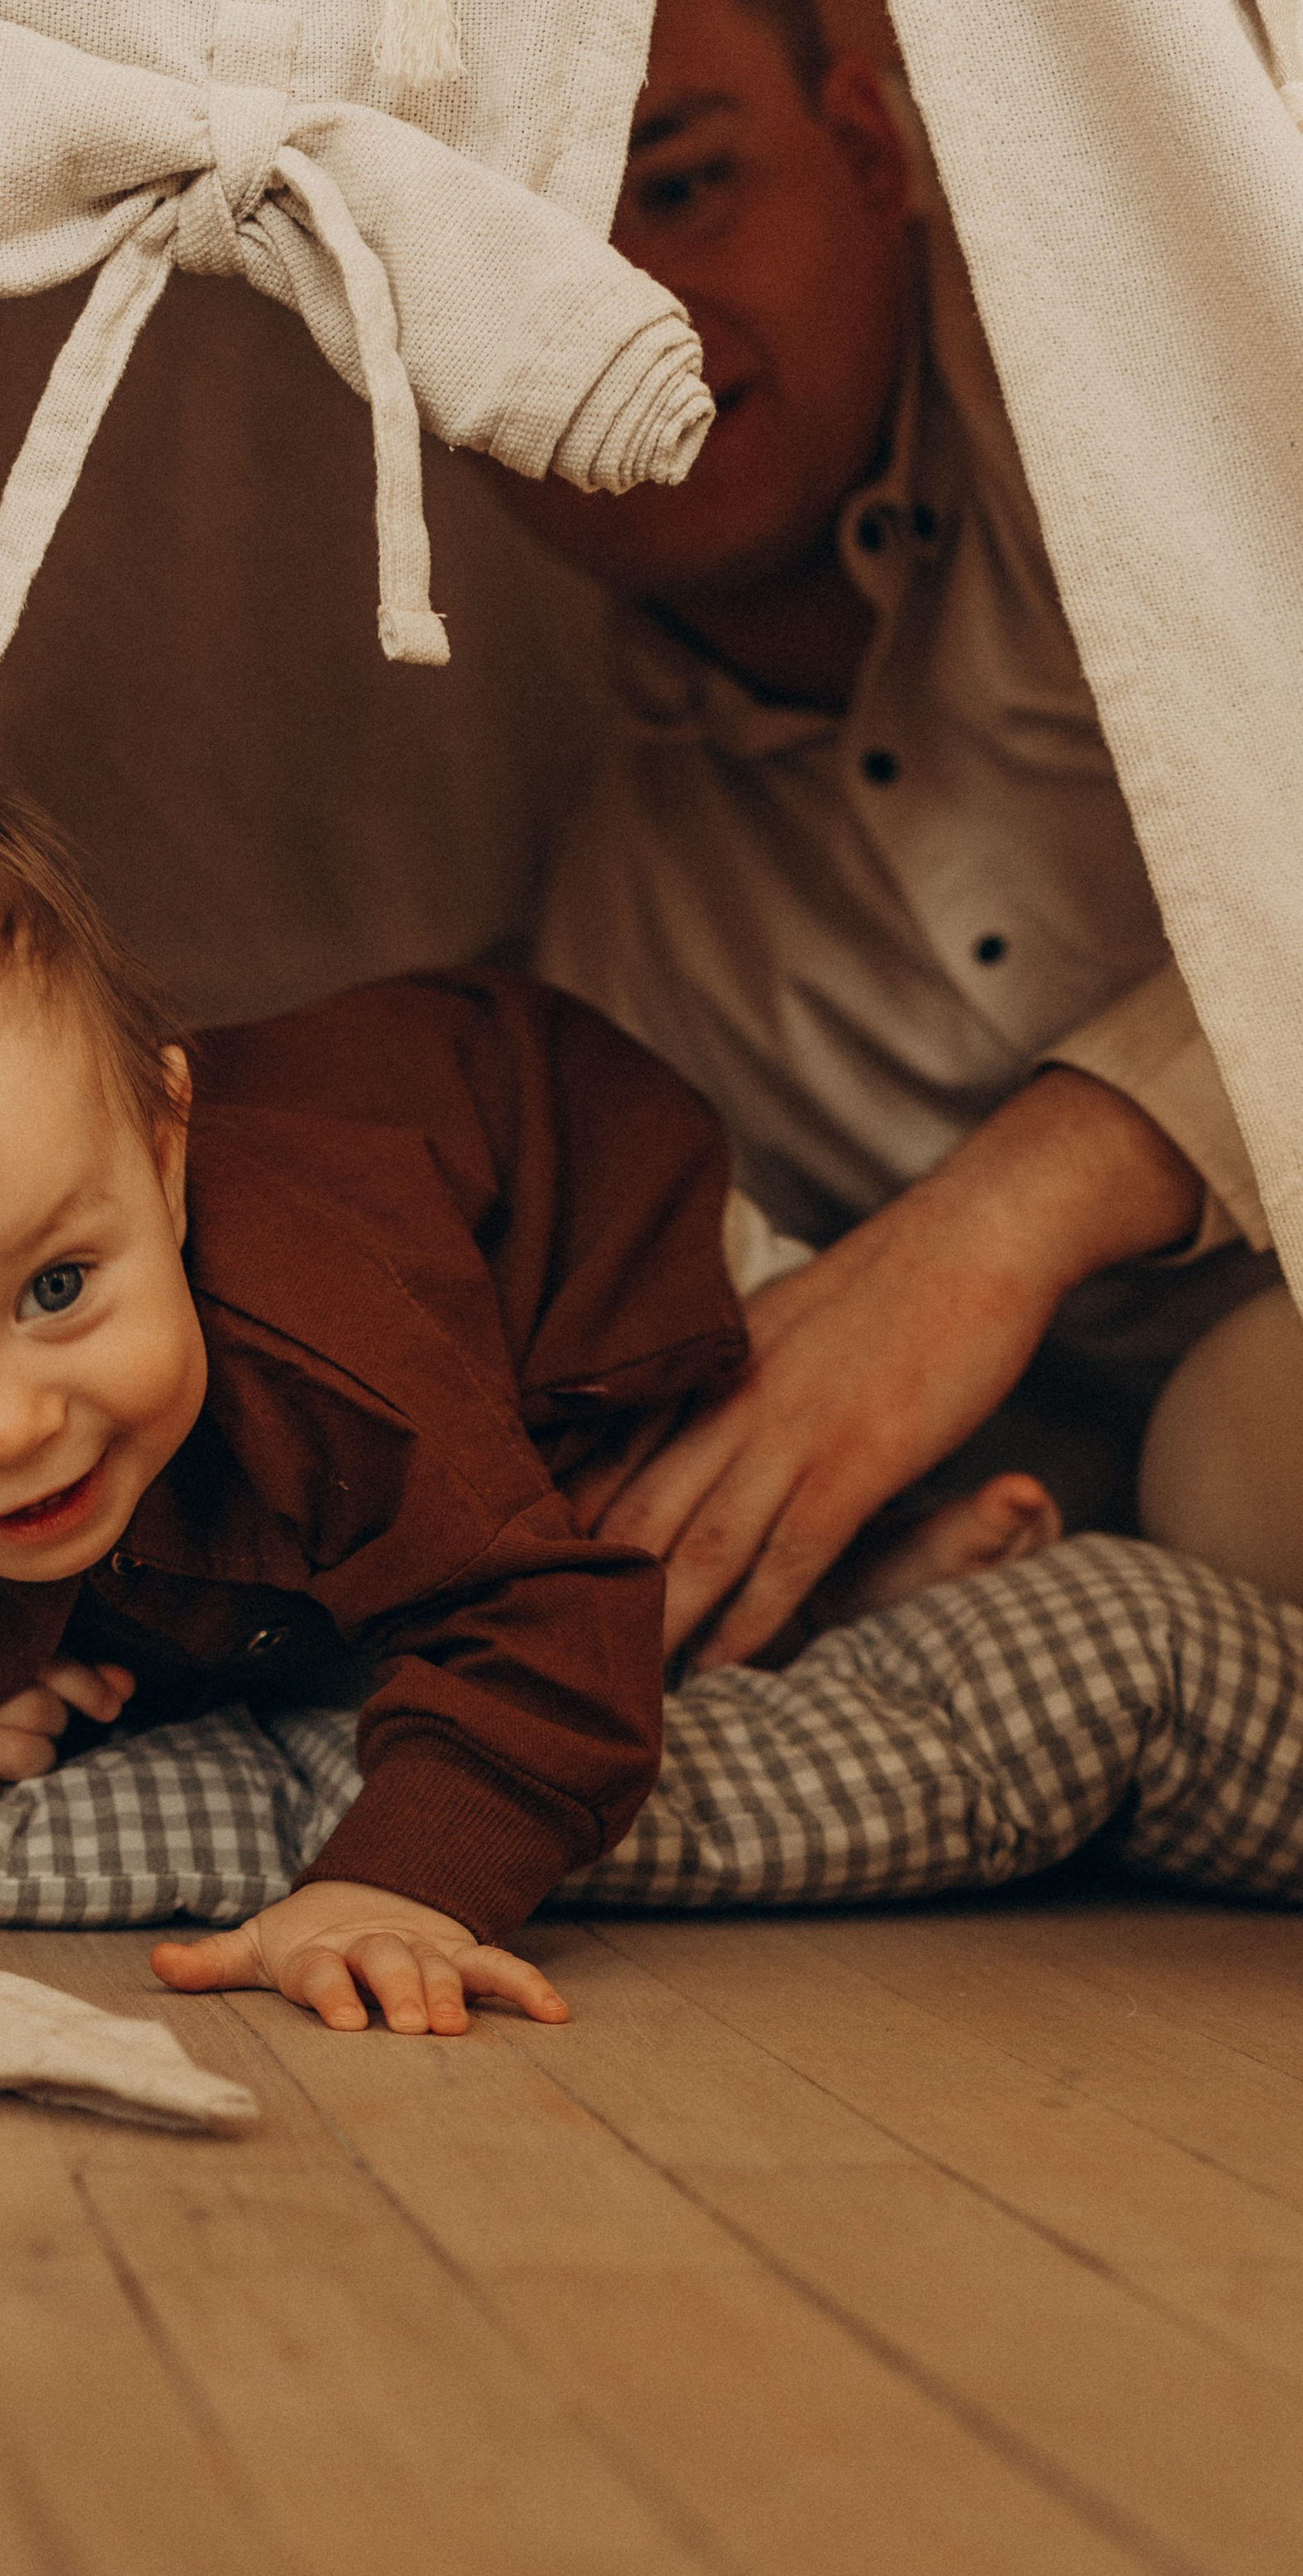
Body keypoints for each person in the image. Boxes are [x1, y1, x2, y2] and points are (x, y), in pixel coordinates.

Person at [0, 761, 1042, 2034]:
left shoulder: (319, 1342)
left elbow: (549, 1620)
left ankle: (863, 1556)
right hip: (355, 1284)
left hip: (557, 1214)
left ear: (166, 1150)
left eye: (59, 1289)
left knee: (624, 1506)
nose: (7, 1429)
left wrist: (398, 1883)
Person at [491, 0, 1302, 1668]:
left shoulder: (1186, 410)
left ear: (869, 154)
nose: (608, 321)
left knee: (1237, 1461)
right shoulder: (629, 945)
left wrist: (1022, 1205)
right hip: (1122, 1492)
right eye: (498, 265)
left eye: (684, 185)